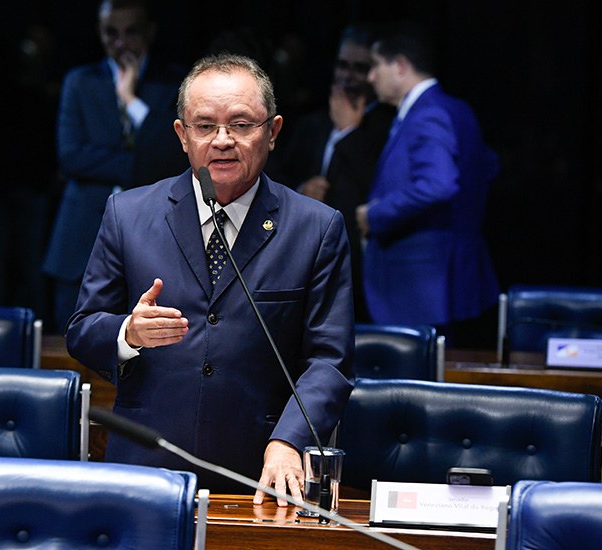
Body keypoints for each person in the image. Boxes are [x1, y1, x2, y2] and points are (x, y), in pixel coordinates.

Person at [66, 53, 354, 503]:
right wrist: (128, 332)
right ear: (182, 135)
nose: (222, 140)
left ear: (273, 132)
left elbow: (329, 360)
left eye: (241, 125)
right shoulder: (128, 213)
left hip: (261, 474)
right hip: (145, 471)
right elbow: (83, 331)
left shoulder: (316, 228)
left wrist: (289, 440)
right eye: (205, 126)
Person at [42, 0, 189, 333]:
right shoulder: (80, 81)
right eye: (111, 32)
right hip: (80, 236)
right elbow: (71, 156)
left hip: (153, 235)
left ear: (150, 31)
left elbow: (175, 155)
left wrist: (130, 102)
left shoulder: (175, 84)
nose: (120, 42)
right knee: (72, 340)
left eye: (131, 32)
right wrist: (143, 164)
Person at [357, 24, 500, 347]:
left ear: (401, 66)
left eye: (376, 65)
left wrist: (376, 214)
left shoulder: (427, 113)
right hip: (449, 273)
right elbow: (487, 166)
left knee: (418, 388)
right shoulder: (456, 108)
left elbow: (439, 184)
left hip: (422, 282)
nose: (370, 78)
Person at [275, 25, 395, 322]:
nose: (348, 75)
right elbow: (278, 176)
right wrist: (301, 189)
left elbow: (380, 186)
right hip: (308, 253)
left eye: (359, 67)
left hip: (362, 262)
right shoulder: (312, 123)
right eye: (343, 65)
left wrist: (350, 131)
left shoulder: (387, 126)